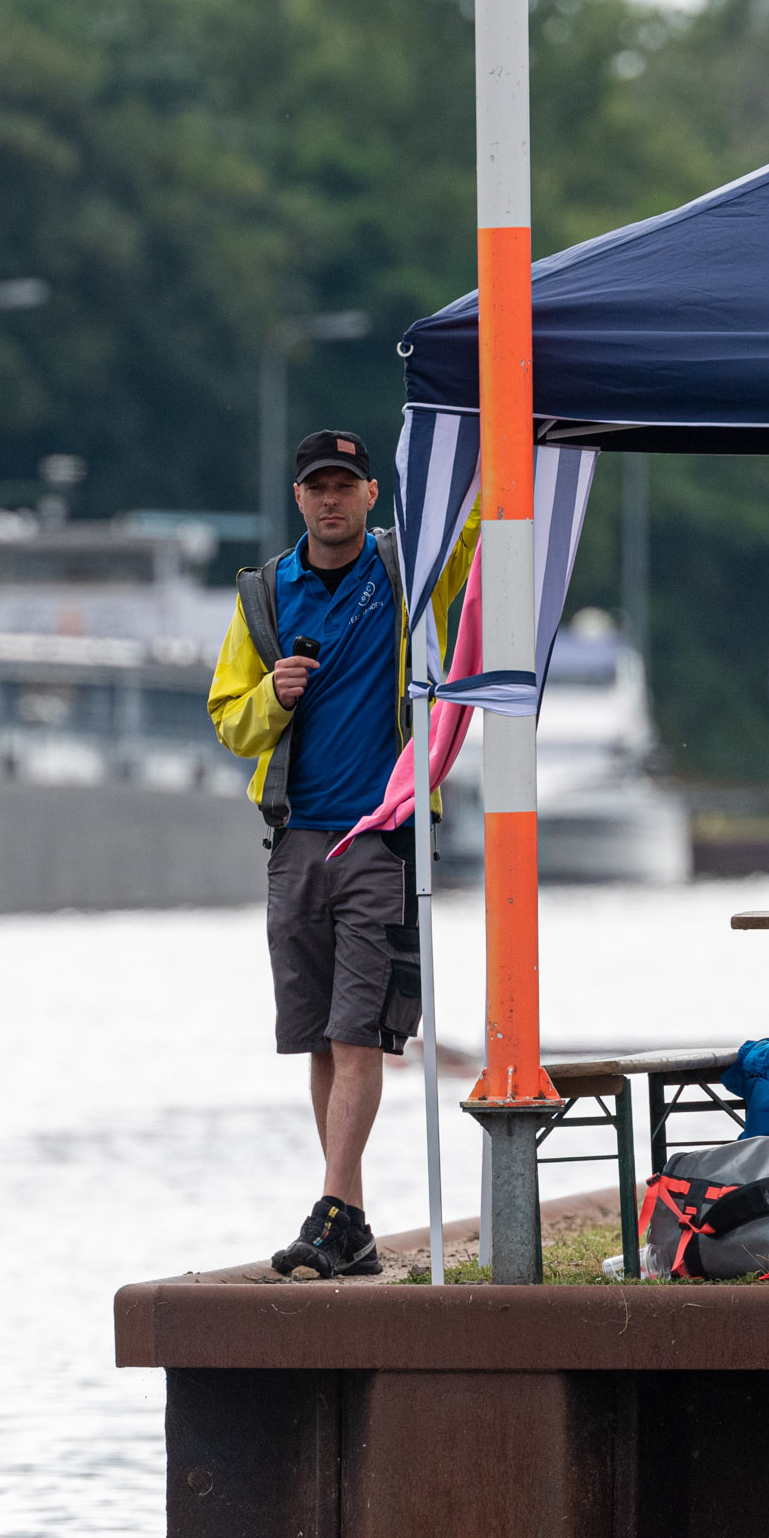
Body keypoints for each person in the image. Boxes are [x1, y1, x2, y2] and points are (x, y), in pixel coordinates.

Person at [208, 428, 476, 1278]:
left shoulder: (409, 573)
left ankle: (330, 1213)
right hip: (295, 840)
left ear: (369, 494)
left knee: (360, 1036)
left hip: (383, 833)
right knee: (322, 1039)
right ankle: (348, 1218)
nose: (330, 498)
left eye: (345, 484)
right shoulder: (264, 595)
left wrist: (495, 437)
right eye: (316, 486)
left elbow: (472, 531)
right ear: (299, 499)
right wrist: (271, 695)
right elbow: (227, 717)